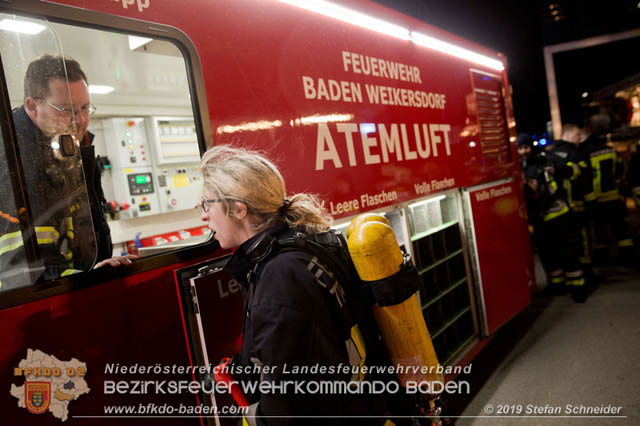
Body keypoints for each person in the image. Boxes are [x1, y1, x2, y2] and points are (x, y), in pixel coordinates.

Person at [199, 145, 397, 425]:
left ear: (238, 208)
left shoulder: (280, 276)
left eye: (208, 204)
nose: (204, 216)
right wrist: (237, 371)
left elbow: (290, 405)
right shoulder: (303, 244)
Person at [0, 55, 134, 289]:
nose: (80, 120)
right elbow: (25, 266)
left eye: (84, 108)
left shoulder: (63, 146)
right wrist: (85, 278)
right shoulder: (14, 161)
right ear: (32, 106)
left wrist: (95, 269)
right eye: (65, 110)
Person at [581, 113, 634, 265]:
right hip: (613, 195)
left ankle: (603, 259)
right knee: (621, 228)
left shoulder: (587, 154)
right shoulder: (611, 151)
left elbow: (586, 177)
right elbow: (619, 172)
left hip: (597, 198)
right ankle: (628, 256)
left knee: (600, 231)